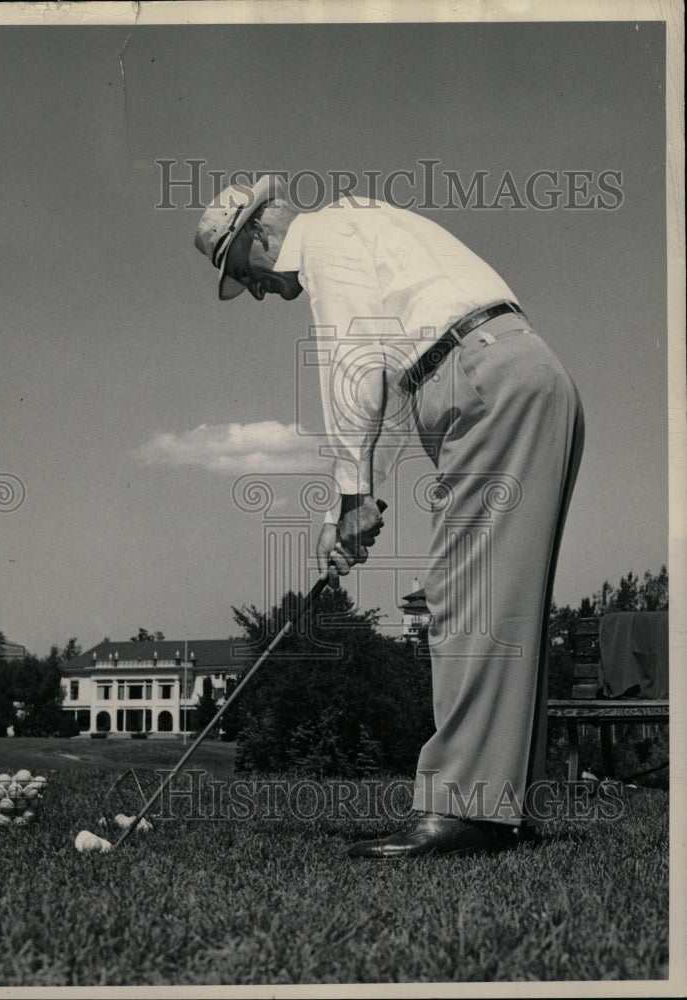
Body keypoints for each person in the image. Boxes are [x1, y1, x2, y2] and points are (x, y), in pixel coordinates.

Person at [195, 175, 584, 857]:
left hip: (488, 379)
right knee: (503, 600)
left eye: (240, 271)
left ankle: (461, 810)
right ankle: (498, 809)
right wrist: (361, 501)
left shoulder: (325, 243)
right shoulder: (365, 225)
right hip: (525, 372)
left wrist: (350, 495)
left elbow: (354, 363)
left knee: (467, 598)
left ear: (259, 231)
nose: (252, 289)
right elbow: (410, 367)